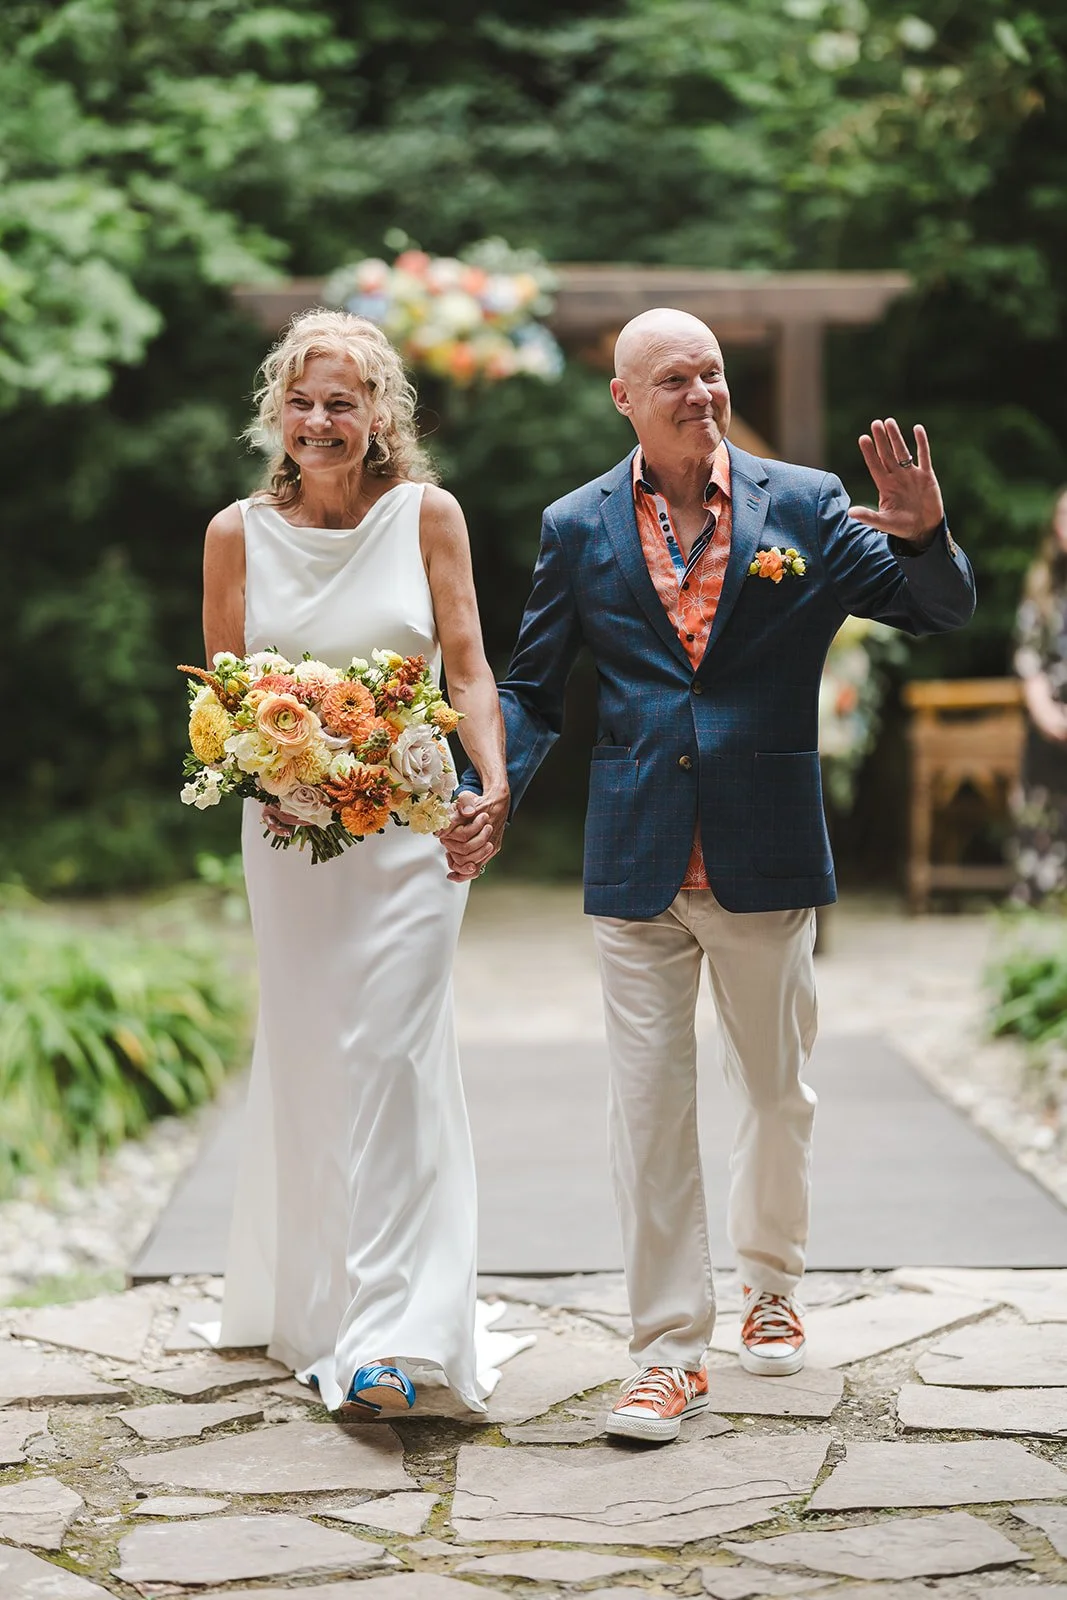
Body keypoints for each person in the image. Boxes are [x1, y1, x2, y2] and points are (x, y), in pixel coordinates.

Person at [442, 307, 975, 1444]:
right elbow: (534, 686)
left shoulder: (808, 505)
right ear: (623, 399)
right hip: (635, 851)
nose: (700, 393)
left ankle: (771, 1283)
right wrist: (487, 783)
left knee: (777, 1091)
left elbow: (935, 612)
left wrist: (928, 539)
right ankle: (666, 1353)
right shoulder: (574, 526)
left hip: (764, 847)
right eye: (673, 378)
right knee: (647, 1110)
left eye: (712, 373)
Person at [200, 308, 509, 1415]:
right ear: (276, 413)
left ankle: (393, 1335)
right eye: (303, 400)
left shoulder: (427, 515)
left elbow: (468, 668)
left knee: (392, 1053)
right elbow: (224, 694)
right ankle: (322, 1303)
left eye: (343, 401)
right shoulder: (235, 532)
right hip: (290, 839)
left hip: (414, 832)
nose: (321, 420)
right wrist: (270, 764)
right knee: (314, 1055)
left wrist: (492, 778)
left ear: (380, 414)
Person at [1011, 487, 1067, 905]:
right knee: (1042, 830)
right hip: (1050, 731)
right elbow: (1028, 659)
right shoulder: (1043, 590)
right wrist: (1047, 715)